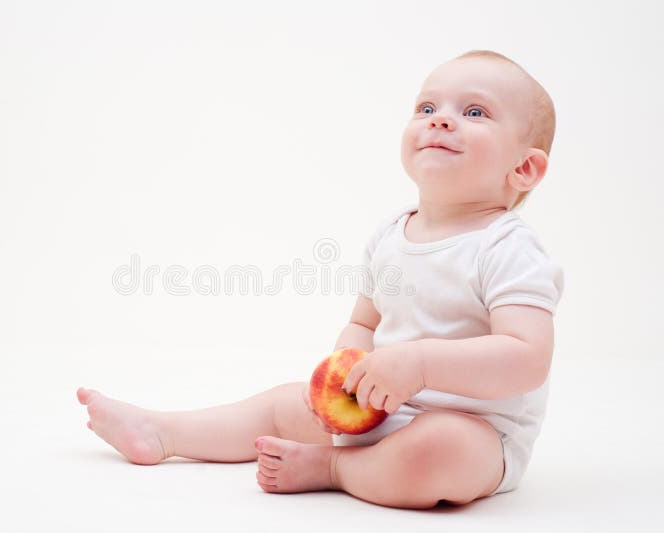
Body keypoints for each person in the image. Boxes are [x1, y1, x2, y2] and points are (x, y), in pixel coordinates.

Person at [76, 49, 564, 510]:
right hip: (377, 411)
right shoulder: (393, 234)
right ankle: (164, 432)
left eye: (475, 112)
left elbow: (527, 358)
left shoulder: (506, 248)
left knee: (440, 450)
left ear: (523, 168)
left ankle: (333, 468)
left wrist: (418, 364)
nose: (441, 118)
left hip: (476, 434)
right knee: (281, 405)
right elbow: (364, 324)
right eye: (427, 106)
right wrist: (342, 372)